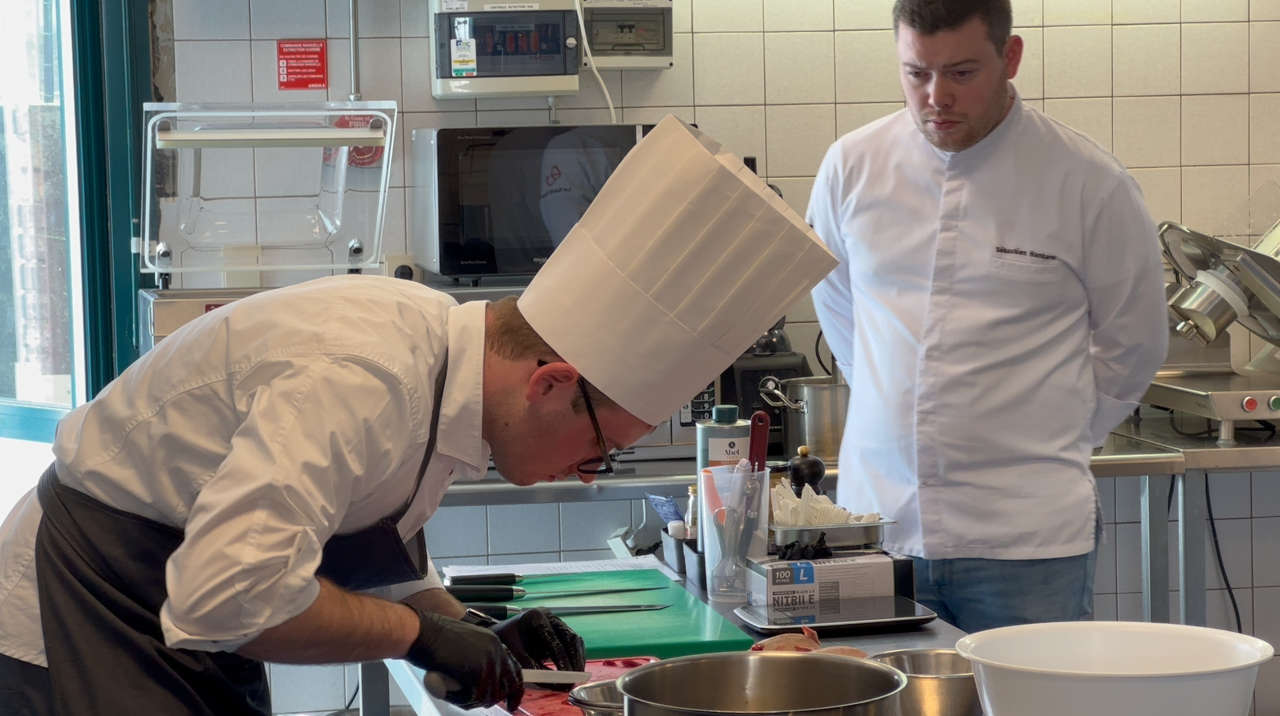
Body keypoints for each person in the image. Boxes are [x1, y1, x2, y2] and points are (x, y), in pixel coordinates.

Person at [0, 114, 836, 715]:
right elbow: (228, 597)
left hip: (176, 621)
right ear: (550, 382)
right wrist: (414, 638)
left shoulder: (442, 367)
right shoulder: (365, 376)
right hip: (83, 610)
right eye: (600, 449)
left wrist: (470, 625)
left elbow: (367, 544)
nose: (590, 479)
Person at [807, 0, 1168, 634]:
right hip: (877, 532)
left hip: (1025, 542)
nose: (936, 97)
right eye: (916, 73)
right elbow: (838, 303)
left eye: (962, 73)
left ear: (1011, 57)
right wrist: (893, 403)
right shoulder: (851, 167)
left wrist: (1048, 434)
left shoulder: (1089, 182)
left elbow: (1133, 345)